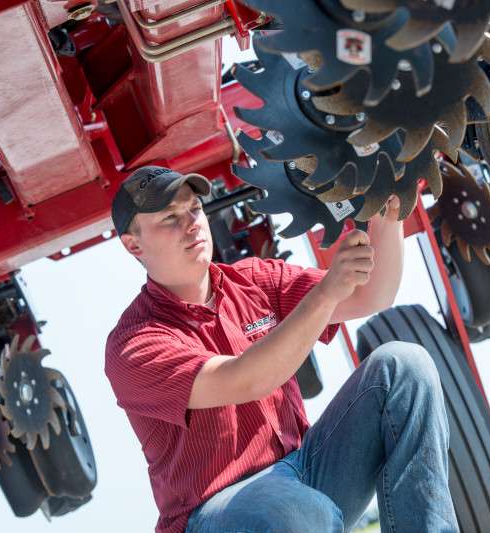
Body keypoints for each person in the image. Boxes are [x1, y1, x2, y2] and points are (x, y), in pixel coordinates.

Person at [104, 165, 458, 532]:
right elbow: (244, 380)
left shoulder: (255, 280)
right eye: (169, 218)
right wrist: (324, 294)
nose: (191, 223)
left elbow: (372, 294)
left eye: (194, 208)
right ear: (134, 244)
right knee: (291, 510)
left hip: (305, 473)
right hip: (218, 512)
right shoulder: (135, 343)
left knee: (404, 367)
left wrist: (390, 205)